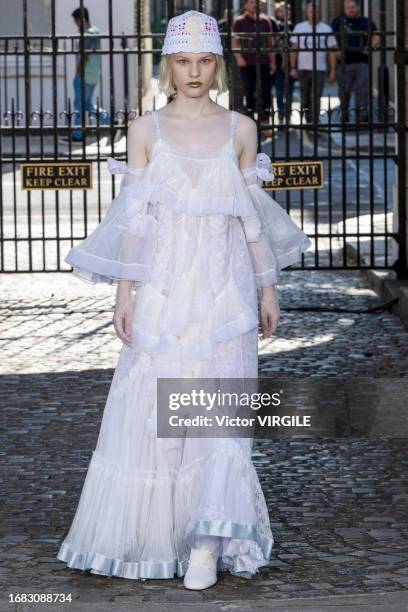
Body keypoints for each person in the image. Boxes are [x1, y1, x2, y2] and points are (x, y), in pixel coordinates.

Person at [56, 10, 311, 590]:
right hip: (166, 290)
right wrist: (125, 293)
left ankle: (206, 540)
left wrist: (268, 288)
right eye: (182, 60)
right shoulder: (145, 130)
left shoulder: (241, 129)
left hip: (226, 293)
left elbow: (252, 224)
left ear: (216, 64)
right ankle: (155, 534)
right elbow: (137, 224)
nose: (193, 72)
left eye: (202, 61)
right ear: (168, 64)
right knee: (156, 412)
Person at [331, 0, 380, 123]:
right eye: (348, 7)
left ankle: (362, 117)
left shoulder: (366, 21)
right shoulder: (338, 21)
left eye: (353, 7)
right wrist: (336, 49)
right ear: (344, 8)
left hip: (362, 61)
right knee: (344, 91)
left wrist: (370, 45)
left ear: (358, 8)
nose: (350, 9)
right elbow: (330, 37)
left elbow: (377, 35)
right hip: (344, 63)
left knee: (363, 91)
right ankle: (345, 115)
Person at [290, 2, 337, 127]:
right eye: (311, 11)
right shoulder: (299, 27)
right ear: (307, 12)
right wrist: (293, 67)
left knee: (316, 97)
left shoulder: (326, 29)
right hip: (302, 68)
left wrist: (333, 70)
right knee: (305, 97)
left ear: (319, 12)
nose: (314, 13)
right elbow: (294, 48)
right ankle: (307, 119)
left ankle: (314, 122)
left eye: (316, 11)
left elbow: (332, 51)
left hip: (320, 68)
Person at [70, 6, 110, 142]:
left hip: (85, 75)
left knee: (78, 105)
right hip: (94, 75)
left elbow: (84, 54)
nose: (76, 24)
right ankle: (110, 121)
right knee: (87, 104)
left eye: (76, 21)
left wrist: (78, 70)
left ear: (81, 19)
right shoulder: (95, 31)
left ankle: (78, 135)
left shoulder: (87, 33)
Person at [232, 0, 276, 120]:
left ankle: (265, 119)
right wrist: (239, 57)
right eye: (252, 2)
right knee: (249, 92)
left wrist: (272, 61)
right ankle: (250, 119)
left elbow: (269, 42)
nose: (255, 5)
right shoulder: (239, 21)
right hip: (247, 63)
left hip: (263, 62)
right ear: (246, 5)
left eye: (257, 3)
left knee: (266, 92)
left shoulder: (265, 21)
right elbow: (234, 42)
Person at [270, 1, 295, 124]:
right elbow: (273, 44)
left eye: (287, 11)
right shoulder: (275, 25)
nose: (284, 13)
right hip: (279, 63)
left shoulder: (293, 26)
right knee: (279, 91)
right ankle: (280, 115)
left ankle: (288, 115)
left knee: (289, 91)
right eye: (281, 11)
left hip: (292, 64)